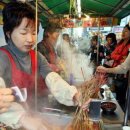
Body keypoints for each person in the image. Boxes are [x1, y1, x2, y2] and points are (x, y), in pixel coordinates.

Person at [0, 1, 80, 130]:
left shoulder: (36, 56)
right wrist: (22, 118)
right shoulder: (2, 57)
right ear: (9, 33)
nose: (31, 39)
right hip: (10, 123)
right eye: (23, 33)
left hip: (32, 115)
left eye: (33, 32)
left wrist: (73, 95)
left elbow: (54, 79)